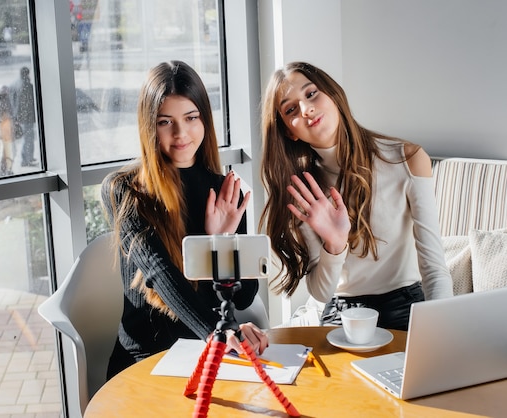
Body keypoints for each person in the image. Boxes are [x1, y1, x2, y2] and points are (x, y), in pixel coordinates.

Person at [101, 60, 268, 379]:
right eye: (165, 122)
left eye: (191, 118)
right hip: (148, 357)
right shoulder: (123, 190)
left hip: (208, 353)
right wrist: (216, 333)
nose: (180, 133)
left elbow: (245, 295)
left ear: (205, 119)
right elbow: (158, 272)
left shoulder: (223, 190)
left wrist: (221, 242)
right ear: (149, 126)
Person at [259, 62, 453, 331]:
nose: (306, 109)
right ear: (290, 132)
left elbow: (434, 269)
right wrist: (335, 245)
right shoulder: (304, 189)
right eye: (291, 110)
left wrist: (441, 330)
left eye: (311, 93)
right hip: (341, 312)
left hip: (405, 306)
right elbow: (321, 293)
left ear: (333, 94)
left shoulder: (407, 159)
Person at [10, 67, 37, 167]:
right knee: (28, 138)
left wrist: (15, 117)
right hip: (26, 117)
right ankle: (26, 160)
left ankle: (28, 157)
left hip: (20, 117)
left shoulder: (15, 84)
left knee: (27, 138)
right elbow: (27, 103)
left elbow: (13, 102)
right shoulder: (26, 86)